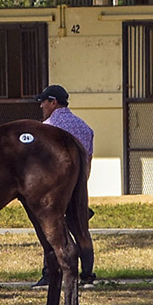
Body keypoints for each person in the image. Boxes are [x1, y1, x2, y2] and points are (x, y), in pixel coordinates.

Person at [34, 83, 97, 288]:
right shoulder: (85, 128)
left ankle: (49, 273)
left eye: (43, 102)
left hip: (54, 186)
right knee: (81, 228)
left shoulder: (48, 128)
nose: (41, 107)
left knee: (51, 228)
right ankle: (87, 273)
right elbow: (88, 159)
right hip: (78, 183)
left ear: (53, 102)